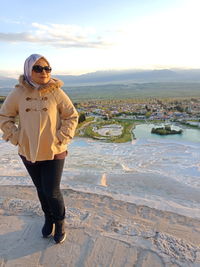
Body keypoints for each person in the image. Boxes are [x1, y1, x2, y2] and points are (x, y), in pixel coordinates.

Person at [0, 54, 79, 244]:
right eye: (38, 68)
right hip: (28, 150)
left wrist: (61, 138)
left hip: (54, 150)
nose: (44, 72)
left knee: (52, 190)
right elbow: (4, 116)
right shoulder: (18, 93)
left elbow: (71, 116)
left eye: (47, 68)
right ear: (28, 70)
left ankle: (59, 222)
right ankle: (48, 218)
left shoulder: (56, 91)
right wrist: (18, 137)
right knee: (41, 189)